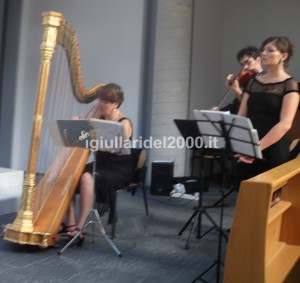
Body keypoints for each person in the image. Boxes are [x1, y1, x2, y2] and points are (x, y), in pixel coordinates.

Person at [64, 83, 134, 240]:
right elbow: (79, 139)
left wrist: (91, 133)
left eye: (106, 102)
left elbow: (114, 147)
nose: (101, 104)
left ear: (116, 104)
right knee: (68, 174)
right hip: (100, 164)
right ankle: (71, 224)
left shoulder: (124, 123)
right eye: (100, 100)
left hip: (118, 168)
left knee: (86, 177)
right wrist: (76, 126)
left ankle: (81, 227)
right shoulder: (98, 118)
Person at [236, 36, 299, 181]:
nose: (263, 53)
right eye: (263, 50)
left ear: (283, 56)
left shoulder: (290, 85)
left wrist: (255, 149)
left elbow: (285, 124)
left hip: (273, 149)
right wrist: (241, 144)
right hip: (249, 146)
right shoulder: (253, 82)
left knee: (267, 199)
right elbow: (241, 116)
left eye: (270, 50)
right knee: (245, 196)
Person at [217, 46, 263, 113]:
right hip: (235, 108)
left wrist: (237, 90)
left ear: (258, 59)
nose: (245, 67)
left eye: (248, 62)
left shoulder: (264, 80)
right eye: (242, 64)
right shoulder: (246, 77)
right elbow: (237, 101)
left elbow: (250, 105)